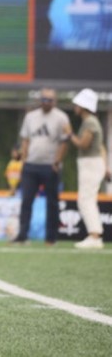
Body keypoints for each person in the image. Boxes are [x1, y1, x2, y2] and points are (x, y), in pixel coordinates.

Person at [12, 88, 70, 246]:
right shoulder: (31, 117)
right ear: (40, 100)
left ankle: (51, 238)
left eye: (49, 100)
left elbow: (65, 141)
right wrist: (23, 158)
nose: (46, 103)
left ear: (55, 101)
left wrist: (57, 162)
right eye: (44, 99)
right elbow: (25, 139)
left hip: (50, 166)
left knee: (52, 202)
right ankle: (23, 236)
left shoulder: (61, 117)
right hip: (31, 165)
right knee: (26, 201)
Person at [67, 89, 108, 249]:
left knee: (86, 199)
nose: (75, 106)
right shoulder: (92, 121)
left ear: (83, 106)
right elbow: (102, 147)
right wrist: (106, 167)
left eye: (77, 104)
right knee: (87, 199)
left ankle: (95, 236)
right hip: (93, 163)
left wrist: (69, 134)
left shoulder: (90, 122)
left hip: (90, 163)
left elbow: (83, 144)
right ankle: (95, 234)